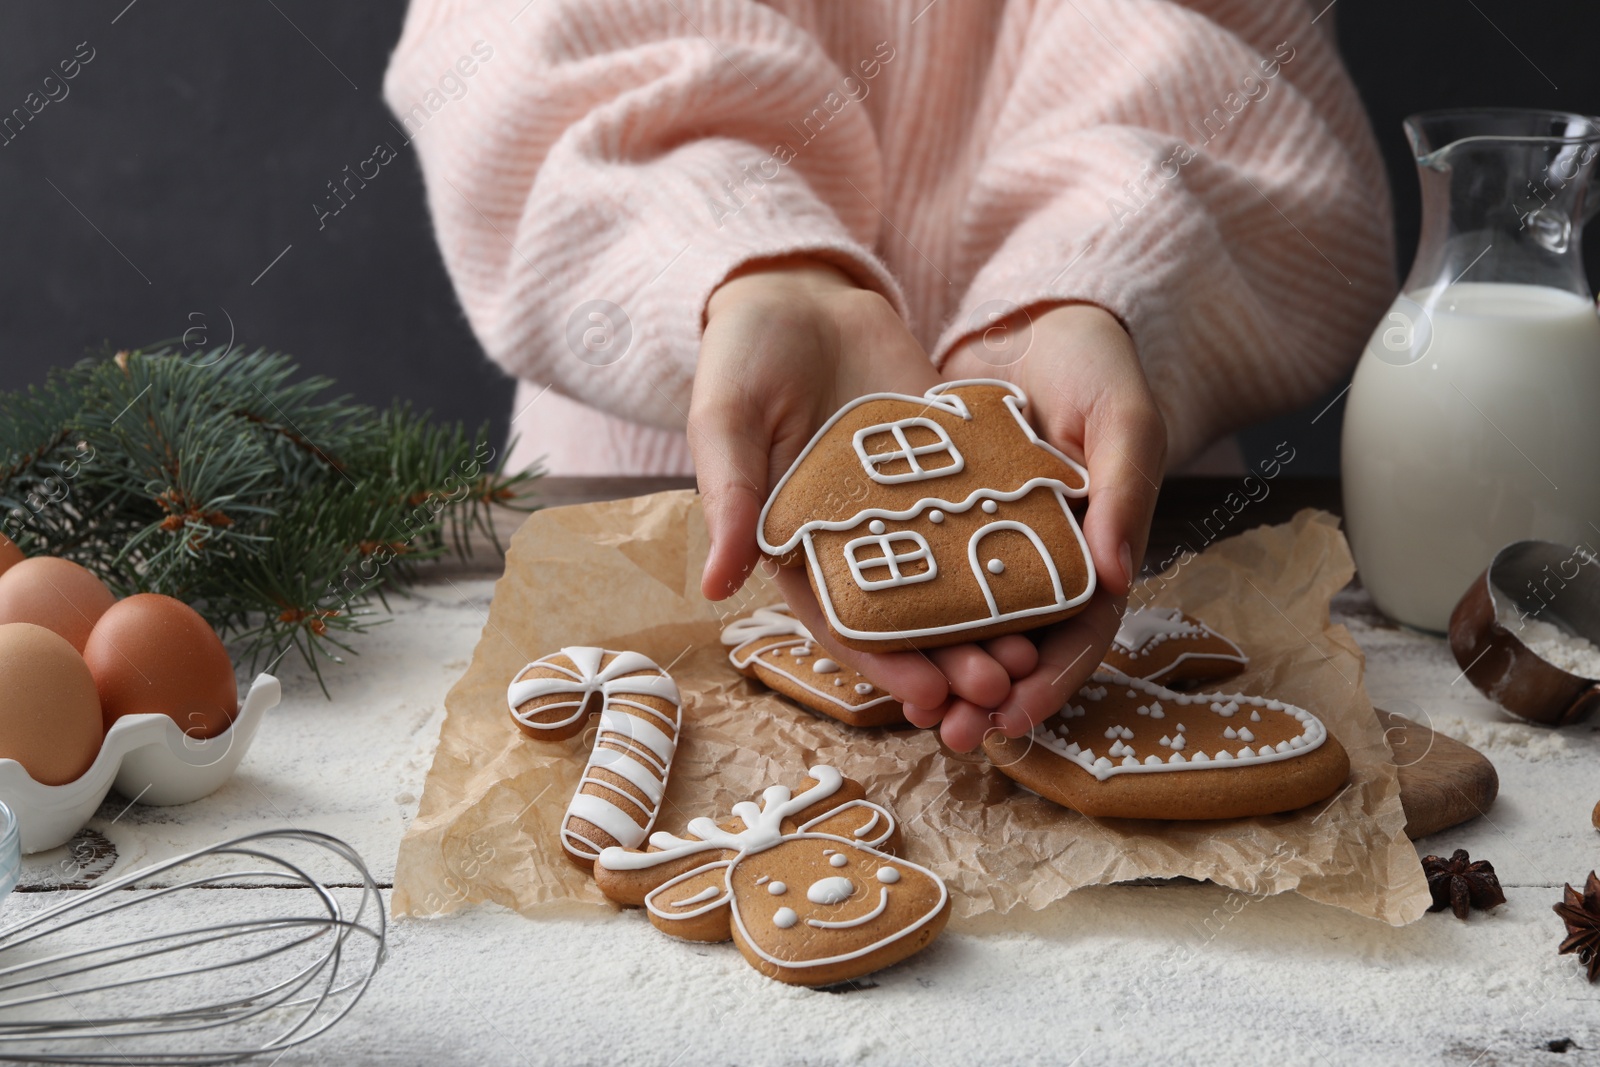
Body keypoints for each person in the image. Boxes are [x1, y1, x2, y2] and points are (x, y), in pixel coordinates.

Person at [385, 0, 1395, 751]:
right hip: (645, 491)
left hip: (1099, 476)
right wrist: (743, 259)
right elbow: (524, 41)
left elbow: (1230, 68)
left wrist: (1092, 278)